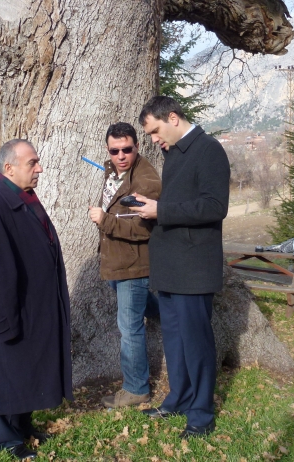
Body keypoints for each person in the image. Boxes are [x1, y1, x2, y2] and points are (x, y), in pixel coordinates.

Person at [0, 139, 72, 460]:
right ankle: (6, 439)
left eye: (38, 162)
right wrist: (0, 322)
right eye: (32, 163)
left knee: (26, 370)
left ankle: (23, 427)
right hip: (5, 314)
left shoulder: (22, 198)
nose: (39, 168)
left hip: (31, 309)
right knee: (4, 373)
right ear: (9, 168)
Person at [133, 96, 230, 439]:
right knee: (174, 340)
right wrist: (151, 208)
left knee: (196, 342)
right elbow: (177, 203)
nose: (155, 140)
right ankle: (179, 398)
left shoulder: (209, 150)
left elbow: (215, 206)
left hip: (193, 267)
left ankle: (201, 414)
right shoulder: (173, 154)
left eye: (156, 131)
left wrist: (161, 212)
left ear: (173, 118)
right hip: (170, 265)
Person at [87, 122, 161, 409]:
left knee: (129, 327)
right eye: (115, 150)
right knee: (148, 309)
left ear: (137, 147)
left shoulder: (146, 180)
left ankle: (136, 389)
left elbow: (144, 229)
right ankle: (174, 317)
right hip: (117, 262)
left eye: (127, 149)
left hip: (133, 265)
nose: (121, 155)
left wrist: (104, 220)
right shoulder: (114, 171)